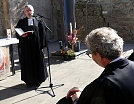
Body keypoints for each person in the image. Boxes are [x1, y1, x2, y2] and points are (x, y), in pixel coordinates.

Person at [57, 27, 134, 104]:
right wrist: (89, 93)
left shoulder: (103, 84)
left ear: (99, 55)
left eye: (90, 54)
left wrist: (76, 99)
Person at [15, 4, 48, 87]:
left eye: (30, 10)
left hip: (37, 47)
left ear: (33, 11)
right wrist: (21, 35)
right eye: (27, 10)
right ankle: (29, 81)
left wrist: (42, 46)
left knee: (37, 62)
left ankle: (38, 80)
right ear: (24, 12)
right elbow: (17, 31)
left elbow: (43, 33)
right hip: (26, 47)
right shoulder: (21, 21)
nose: (29, 12)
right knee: (28, 63)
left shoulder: (38, 20)